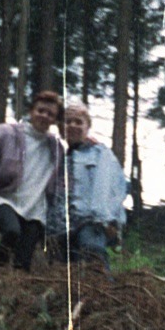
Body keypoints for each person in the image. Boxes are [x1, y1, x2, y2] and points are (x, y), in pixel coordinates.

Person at [0, 89, 65, 270]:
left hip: (35, 212)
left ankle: (12, 293)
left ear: (54, 120)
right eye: (40, 110)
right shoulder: (8, 133)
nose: (44, 116)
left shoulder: (56, 147)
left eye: (50, 114)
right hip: (5, 199)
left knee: (23, 263)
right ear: (31, 111)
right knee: (12, 232)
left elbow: (61, 181)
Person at [47, 102, 129, 274]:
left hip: (90, 223)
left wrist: (109, 221)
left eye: (79, 122)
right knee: (63, 275)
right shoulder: (58, 157)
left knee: (93, 260)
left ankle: (106, 298)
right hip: (60, 228)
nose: (73, 126)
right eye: (68, 122)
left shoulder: (100, 153)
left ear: (87, 126)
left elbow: (113, 188)